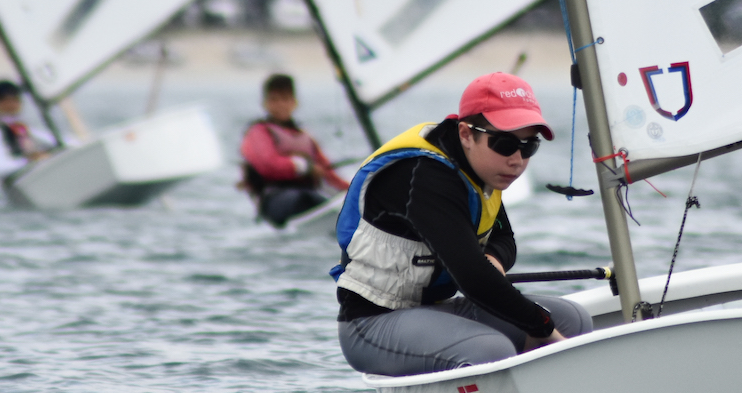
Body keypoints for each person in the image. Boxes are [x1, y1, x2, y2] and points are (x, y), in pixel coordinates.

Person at [333, 72, 592, 376]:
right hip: (370, 324)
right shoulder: (425, 178)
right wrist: (542, 328)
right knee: (491, 350)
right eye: (505, 144)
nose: (517, 160)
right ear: (466, 134)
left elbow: (504, 240)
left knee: (574, 319)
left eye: (528, 146)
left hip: (436, 312)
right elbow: (473, 278)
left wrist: (493, 259)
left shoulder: (485, 169)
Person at [239, 74, 351, 228]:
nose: (280, 105)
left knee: (327, 199)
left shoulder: (305, 136)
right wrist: (305, 167)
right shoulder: (258, 132)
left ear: (294, 103)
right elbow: (269, 166)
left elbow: (328, 174)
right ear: (265, 104)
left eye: (285, 99)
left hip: (306, 196)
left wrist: (355, 191)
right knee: (305, 198)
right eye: (274, 100)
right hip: (274, 200)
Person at [0, 79, 57, 184]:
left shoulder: (20, 128)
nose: (12, 104)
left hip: (33, 177)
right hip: (15, 182)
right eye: (6, 100)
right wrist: (30, 160)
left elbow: (55, 141)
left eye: (15, 99)